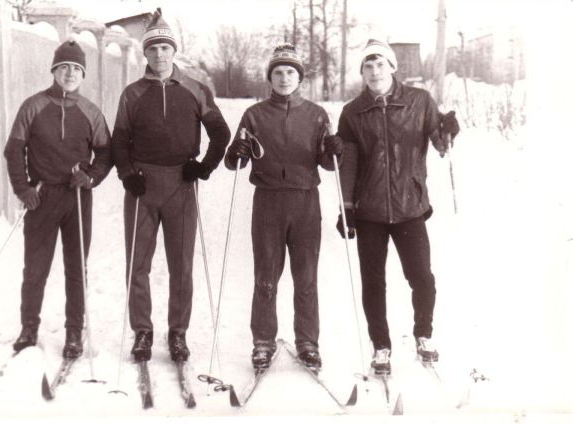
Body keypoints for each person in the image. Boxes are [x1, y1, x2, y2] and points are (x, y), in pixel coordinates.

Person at [111, 10, 231, 364]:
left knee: (181, 263)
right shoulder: (132, 94)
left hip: (181, 183)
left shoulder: (195, 88)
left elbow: (221, 133)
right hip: (142, 185)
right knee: (139, 263)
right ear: (145, 54)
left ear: (173, 50)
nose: (159, 55)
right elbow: (119, 140)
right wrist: (126, 173)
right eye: (153, 49)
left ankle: (178, 333)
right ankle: (142, 332)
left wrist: (204, 166)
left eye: (165, 47)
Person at [335, 39, 460, 374]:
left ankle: (424, 334)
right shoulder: (352, 112)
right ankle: (381, 345)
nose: (374, 72)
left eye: (380, 65)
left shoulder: (420, 101)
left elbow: (439, 144)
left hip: (410, 207)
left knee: (422, 277)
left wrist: (449, 131)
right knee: (373, 281)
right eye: (367, 66)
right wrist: (346, 207)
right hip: (370, 211)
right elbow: (347, 165)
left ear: (392, 67)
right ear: (362, 72)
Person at [224, 43, 343, 373]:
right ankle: (263, 341)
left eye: (291, 72)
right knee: (266, 275)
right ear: (270, 78)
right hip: (269, 202)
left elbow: (329, 163)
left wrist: (336, 148)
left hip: (305, 202)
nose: (285, 77)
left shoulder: (317, 114)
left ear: (300, 77)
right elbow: (235, 162)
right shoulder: (255, 114)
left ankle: (307, 341)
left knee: (305, 277)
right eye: (278, 72)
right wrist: (237, 150)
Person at [3, 39, 112, 359]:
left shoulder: (91, 112)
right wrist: (23, 189)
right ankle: (28, 327)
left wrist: (90, 175)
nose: (70, 73)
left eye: (76, 68)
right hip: (41, 197)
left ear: (83, 74)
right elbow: (13, 150)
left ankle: (74, 332)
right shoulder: (33, 106)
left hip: (77, 197)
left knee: (77, 267)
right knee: (35, 268)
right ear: (54, 70)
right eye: (64, 67)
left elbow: (107, 153)